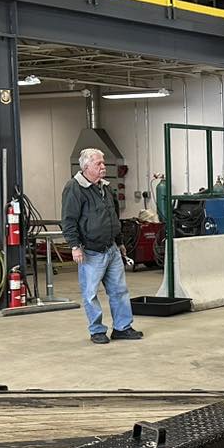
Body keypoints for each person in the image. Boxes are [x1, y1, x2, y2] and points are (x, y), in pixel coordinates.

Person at [61, 147, 142, 346]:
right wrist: (74, 246)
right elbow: (69, 220)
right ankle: (97, 330)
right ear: (86, 166)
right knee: (90, 294)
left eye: (103, 163)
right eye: (99, 163)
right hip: (90, 251)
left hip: (111, 248)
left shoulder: (105, 187)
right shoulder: (74, 188)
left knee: (119, 290)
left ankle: (122, 328)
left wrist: (120, 243)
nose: (103, 167)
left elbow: (114, 217)